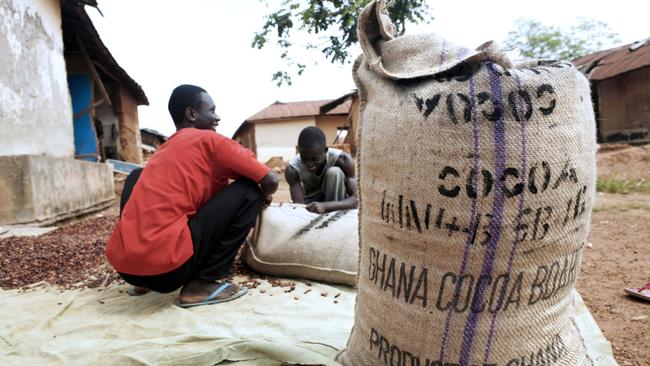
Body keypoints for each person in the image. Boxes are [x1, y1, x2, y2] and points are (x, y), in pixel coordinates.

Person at [105, 84, 278, 308]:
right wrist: (264, 193)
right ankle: (202, 283)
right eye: (212, 110)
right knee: (250, 190)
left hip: (126, 269)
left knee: (137, 175)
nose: (217, 118)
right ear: (192, 114)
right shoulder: (211, 140)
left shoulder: (165, 149)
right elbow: (270, 181)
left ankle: (142, 283)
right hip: (169, 272)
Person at [285, 126, 357, 214]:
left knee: (334, 172)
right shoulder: (292, 169)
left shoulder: (343, 160)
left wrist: (326, 206)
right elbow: (299, 206)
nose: (309, 164)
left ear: (325, 150)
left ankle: (333, 215)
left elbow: (356, 199)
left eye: (314, 159)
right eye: (304, 159)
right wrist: (305, 207)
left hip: (338, 201)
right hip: (313, 202)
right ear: (298, 151)